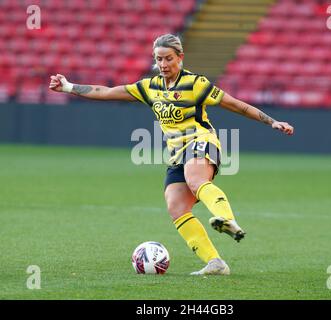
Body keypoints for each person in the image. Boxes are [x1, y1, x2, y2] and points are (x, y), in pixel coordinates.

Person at [49, 34, 294, 276]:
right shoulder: (149, 87)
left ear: (180, 58)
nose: (163, 65)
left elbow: (236, 104)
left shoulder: (197, 84)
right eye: (159, 59)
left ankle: (227, 219)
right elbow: (105, 92)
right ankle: (215, 263)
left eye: (168, 59)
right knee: (175, 205)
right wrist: (69, 87)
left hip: (202, 141)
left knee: (195, 178)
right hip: (177, 154)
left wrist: (271, 122)